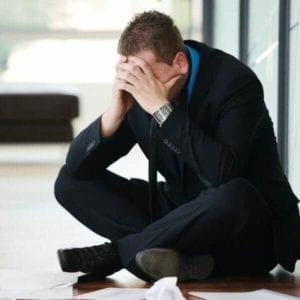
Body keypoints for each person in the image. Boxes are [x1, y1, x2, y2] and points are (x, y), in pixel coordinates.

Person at [54, 10, 300, 282]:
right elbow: (78, 168)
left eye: (146, 73)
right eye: (132, 73)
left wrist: (162, 110)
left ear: (180, 63)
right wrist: (113, 115)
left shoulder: (234, 83)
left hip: (246, 225)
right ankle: (180, 259)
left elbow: (222, 173)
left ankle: (119, 254)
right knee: (68, 182)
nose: (139, 82)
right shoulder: (138, 92)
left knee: (233, 194)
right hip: (182, 212)